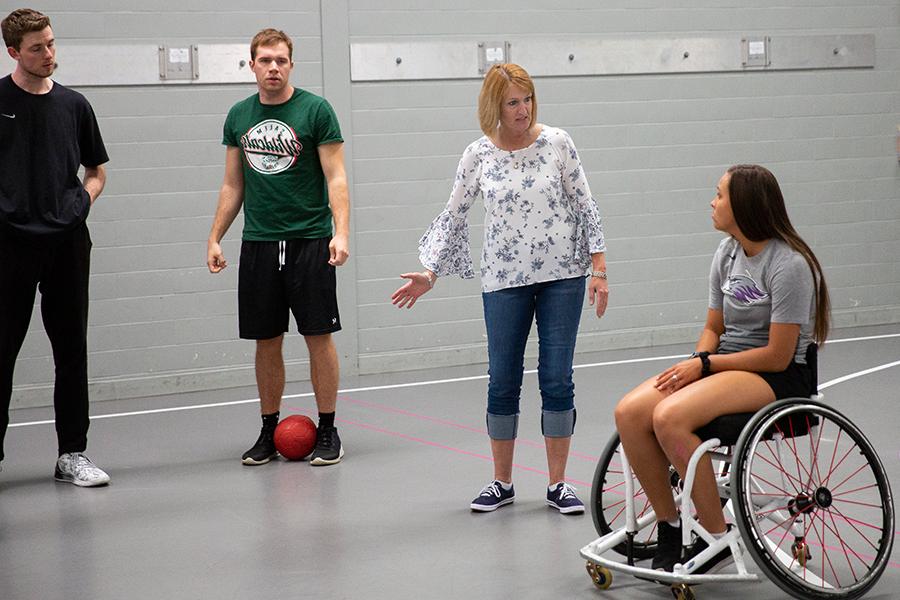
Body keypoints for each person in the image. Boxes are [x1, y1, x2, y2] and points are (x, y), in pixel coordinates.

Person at [391, 64, 608, 514]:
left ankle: (557, 485)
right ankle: (502, 482)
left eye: (527, 99)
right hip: (503, 282)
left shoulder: (558, 143)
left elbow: (585, 204)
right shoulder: (478, 155)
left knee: (556, 378)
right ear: (495, 106)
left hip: (563, 278)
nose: (523, 110)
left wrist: (599, 269)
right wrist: (429, 272)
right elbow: (454, 215)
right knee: (502, 380)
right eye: (513, 102)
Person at [614, 164, 830, 574]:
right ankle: (670, 525)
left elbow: (778, 356)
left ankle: (715, 535)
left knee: (669, 417)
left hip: (778, 376)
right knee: (630, 412)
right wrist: (698, 362)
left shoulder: (789, 265)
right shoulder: (728, 252)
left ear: (744, 205)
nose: (711, 202)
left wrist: (707, 365)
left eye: (718, 195)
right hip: (726, 360)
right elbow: (714, 327)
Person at [207, 28, 350, 467]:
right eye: (265, 60)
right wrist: (215, 236)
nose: (273, 67)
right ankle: (269, 430)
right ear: (252, 64)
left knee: (317, 336)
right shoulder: (239, 116)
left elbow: (336, 177)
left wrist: (340, 232)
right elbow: (234, 184)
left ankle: (328, 430)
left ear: (291, 64)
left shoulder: (316, 110)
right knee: (266, 341)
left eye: (281, 60)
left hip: (309, 240)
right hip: (260, 245)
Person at [0, 8, 110, 486]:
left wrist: (80, 203)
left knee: (71, 349)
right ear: (13, 53)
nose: (49, 55)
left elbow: (97, 171)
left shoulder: (75, 105)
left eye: (51, 44)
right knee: (2, 351)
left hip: (67, 243)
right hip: (9, 247)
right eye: (37, 48)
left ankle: (72, 454)